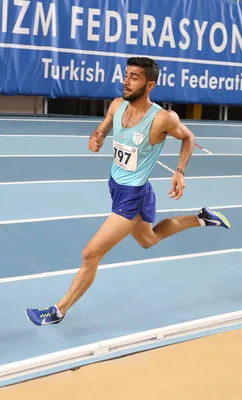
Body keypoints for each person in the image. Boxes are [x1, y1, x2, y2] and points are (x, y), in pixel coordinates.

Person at [25, 57, 230, 326]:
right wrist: (96, 135)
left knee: (91, 254)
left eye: (134, 77)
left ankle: (58, 311)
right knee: (149, 240)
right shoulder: (117, 105)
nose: (126, 80)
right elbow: (104, 126)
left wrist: (179, 172)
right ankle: (202, 218)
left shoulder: (163, 119)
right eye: (126, 74)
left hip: (133, 196)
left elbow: (188, 137)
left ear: (149, 85)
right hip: (119, 187)